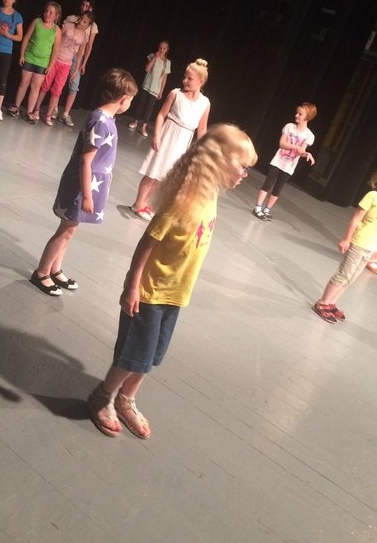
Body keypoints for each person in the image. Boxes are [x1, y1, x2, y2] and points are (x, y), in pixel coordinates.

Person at [88, 123, 258, 438]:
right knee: (134, 355)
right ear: (218, 161)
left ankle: (126, 399)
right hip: (150, 293)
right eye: (243, 166)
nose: (245, 174)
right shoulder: (183, 200)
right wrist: (132, 286)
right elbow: (147, 243)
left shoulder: (209, 195)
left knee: (151, 356)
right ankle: (103, 396)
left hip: (176, 294)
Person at [30, 68, 138, 296]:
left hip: (90, 183)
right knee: (66, 229)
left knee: (71, 228)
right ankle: (41, 272)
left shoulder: (107, 119)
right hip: (82, 186)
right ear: (123, 98)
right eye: (131, 99)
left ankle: (55, 269)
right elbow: (86, 160)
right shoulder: (100, 122)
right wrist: (88, 195)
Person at [130, 58, 210, 221]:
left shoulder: (205, 103)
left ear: (200, 81)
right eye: (185, 77)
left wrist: (203, 150)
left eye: (190, 78)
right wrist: (157, 135)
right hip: (168, 136)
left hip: (183, 142)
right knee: (153, 171)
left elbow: (202, 129)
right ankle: (138, 204)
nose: (185, 81)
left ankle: (147, 204)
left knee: (165, 176)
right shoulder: (176, 94)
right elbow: (161, 115)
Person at [313, 162, 377, 323]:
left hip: (371, 248)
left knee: (351, 278)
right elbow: (356, 218)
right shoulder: (372, 196)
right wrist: (347, 239)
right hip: (359, 243)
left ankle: (331, 303)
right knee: (343, 275)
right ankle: (322, 303)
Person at [252, 103, 317, 221]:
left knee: (278, 188)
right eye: (297, 113)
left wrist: (307, 154)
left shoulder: (309, 135)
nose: (296, 115)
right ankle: (257, 207)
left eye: (300, 114)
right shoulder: (289, 127)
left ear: (307, 117)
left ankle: (267, 210)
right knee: (268, 183)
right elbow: (282, 144)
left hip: (289, 165)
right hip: (278, 161)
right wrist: (296, 147)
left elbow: (301, 151)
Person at [32, 11, 94, 127]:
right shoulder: (68, 26)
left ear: (88, 25)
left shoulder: (84, 36)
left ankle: (49, 115)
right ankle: (36, 109)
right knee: (45, 86)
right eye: (81, 19)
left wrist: (75, 69)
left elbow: (79, 54)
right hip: (56, 59)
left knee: (57, 90)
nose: (81, 22)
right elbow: (56, 41)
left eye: (85, 22)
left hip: (66, 64)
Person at [7, 2, 61, 120]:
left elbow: (56, 50)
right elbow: (26, 38)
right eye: (46, 11)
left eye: (51, 12)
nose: (47, 14)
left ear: (56, 16)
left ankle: (30, 111)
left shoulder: (57, 30)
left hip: (43, 62)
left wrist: (50, 65)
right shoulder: (37, 22)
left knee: (36, 87)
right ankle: (16, 106)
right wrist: (22, 55)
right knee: (24, 82)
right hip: (30, 57)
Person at [58, 0, 99, 127]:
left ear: (91, 8)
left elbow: (89, 46)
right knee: (59, 81)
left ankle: (65, 113)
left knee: (74, 84)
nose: (83, 7)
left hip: (77, 55)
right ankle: (54, 109)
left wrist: (83, 63)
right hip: (64, 51)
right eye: (83, 5)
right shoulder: (71, 18)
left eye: (87, 6)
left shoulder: (92, 25)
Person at [128, 41, 171, 137]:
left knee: (149, 108)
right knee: (141, 104)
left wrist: (161, 90)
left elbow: (164, 78)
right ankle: (135, 122)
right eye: (160, 48)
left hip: (156, 88)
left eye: (164, 48)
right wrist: (155, 57)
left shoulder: (167, 62)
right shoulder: (152, 55)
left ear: (167, 49)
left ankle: (144, 127)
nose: (162, 50)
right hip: (147, 84)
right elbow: (147, 69)